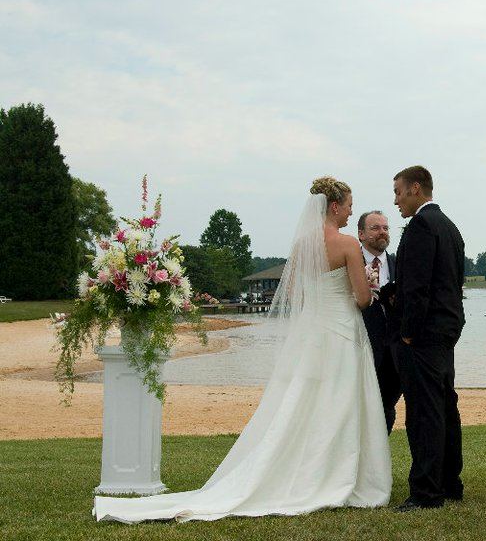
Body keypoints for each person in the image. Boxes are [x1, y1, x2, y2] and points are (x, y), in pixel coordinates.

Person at [94, 176, 391, 523]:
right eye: (350, 206)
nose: (351, 212)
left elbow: (294, 294)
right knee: (340, 402)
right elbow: (361, 299)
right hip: (342, 331)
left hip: (315, 334)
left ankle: (311, 473)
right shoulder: (348, 244)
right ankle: (338, 475)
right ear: (335, 206)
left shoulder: (303, 245)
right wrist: (369, 288)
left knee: (307, 402)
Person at [391, 165, 465, 512]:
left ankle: (425, 493)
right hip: (445, 330)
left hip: (423, 335)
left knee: (424, 413)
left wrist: (408, 332)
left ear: (415, 189)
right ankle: (450, 483)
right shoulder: (449, 226)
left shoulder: (421, 225)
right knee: (445, 408)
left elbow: (417, 286)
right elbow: (450, 283)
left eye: (398, 192)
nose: (396, 201)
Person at [358, 211, 402, 433]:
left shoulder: (399, 264)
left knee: (386, 408)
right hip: (359, 349)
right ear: (361, 234)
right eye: (375, 228)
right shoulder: (350, 263)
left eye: (385, 228)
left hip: (393, 353)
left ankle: (381, 451)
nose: (382, 232)